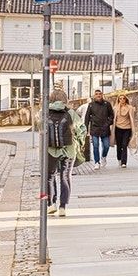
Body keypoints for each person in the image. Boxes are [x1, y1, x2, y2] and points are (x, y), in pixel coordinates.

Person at [46, 89, 81, 217]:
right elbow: (81, 129)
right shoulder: (71, 113)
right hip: (68, 149)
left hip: (50, 149)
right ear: (65, 99)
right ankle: (63, 207)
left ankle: (51, 204)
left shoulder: (45, 112)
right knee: (65, 176)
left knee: (50, 176)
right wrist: (79, 143)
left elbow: (40, 128)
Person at [85, 89, 115, 167]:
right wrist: (86, 129)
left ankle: (103, 157)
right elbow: (87, 117)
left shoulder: (107, 104)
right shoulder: (91, 105)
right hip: (95, 128)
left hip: (105, 128)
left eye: (99, 94)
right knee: (95, 145)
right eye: (96, 94)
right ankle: (96, 162)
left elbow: (111, 115)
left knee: (106, 145)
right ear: (94, 96)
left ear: (102, 95)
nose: (98, 95)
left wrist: (108, 123)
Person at [113, 94, 134, 168]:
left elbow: (132, 118)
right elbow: (113, 119)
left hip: (127, 128)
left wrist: (133, 129)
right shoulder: (115, 108)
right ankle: (119, 158)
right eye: (120, 99)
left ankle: (124, 162)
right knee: (119, 145)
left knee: (124, 144)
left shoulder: (130, 108)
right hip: (118, 128)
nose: (122, 100)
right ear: (118, 100)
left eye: (123, 98)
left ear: (126, 99)